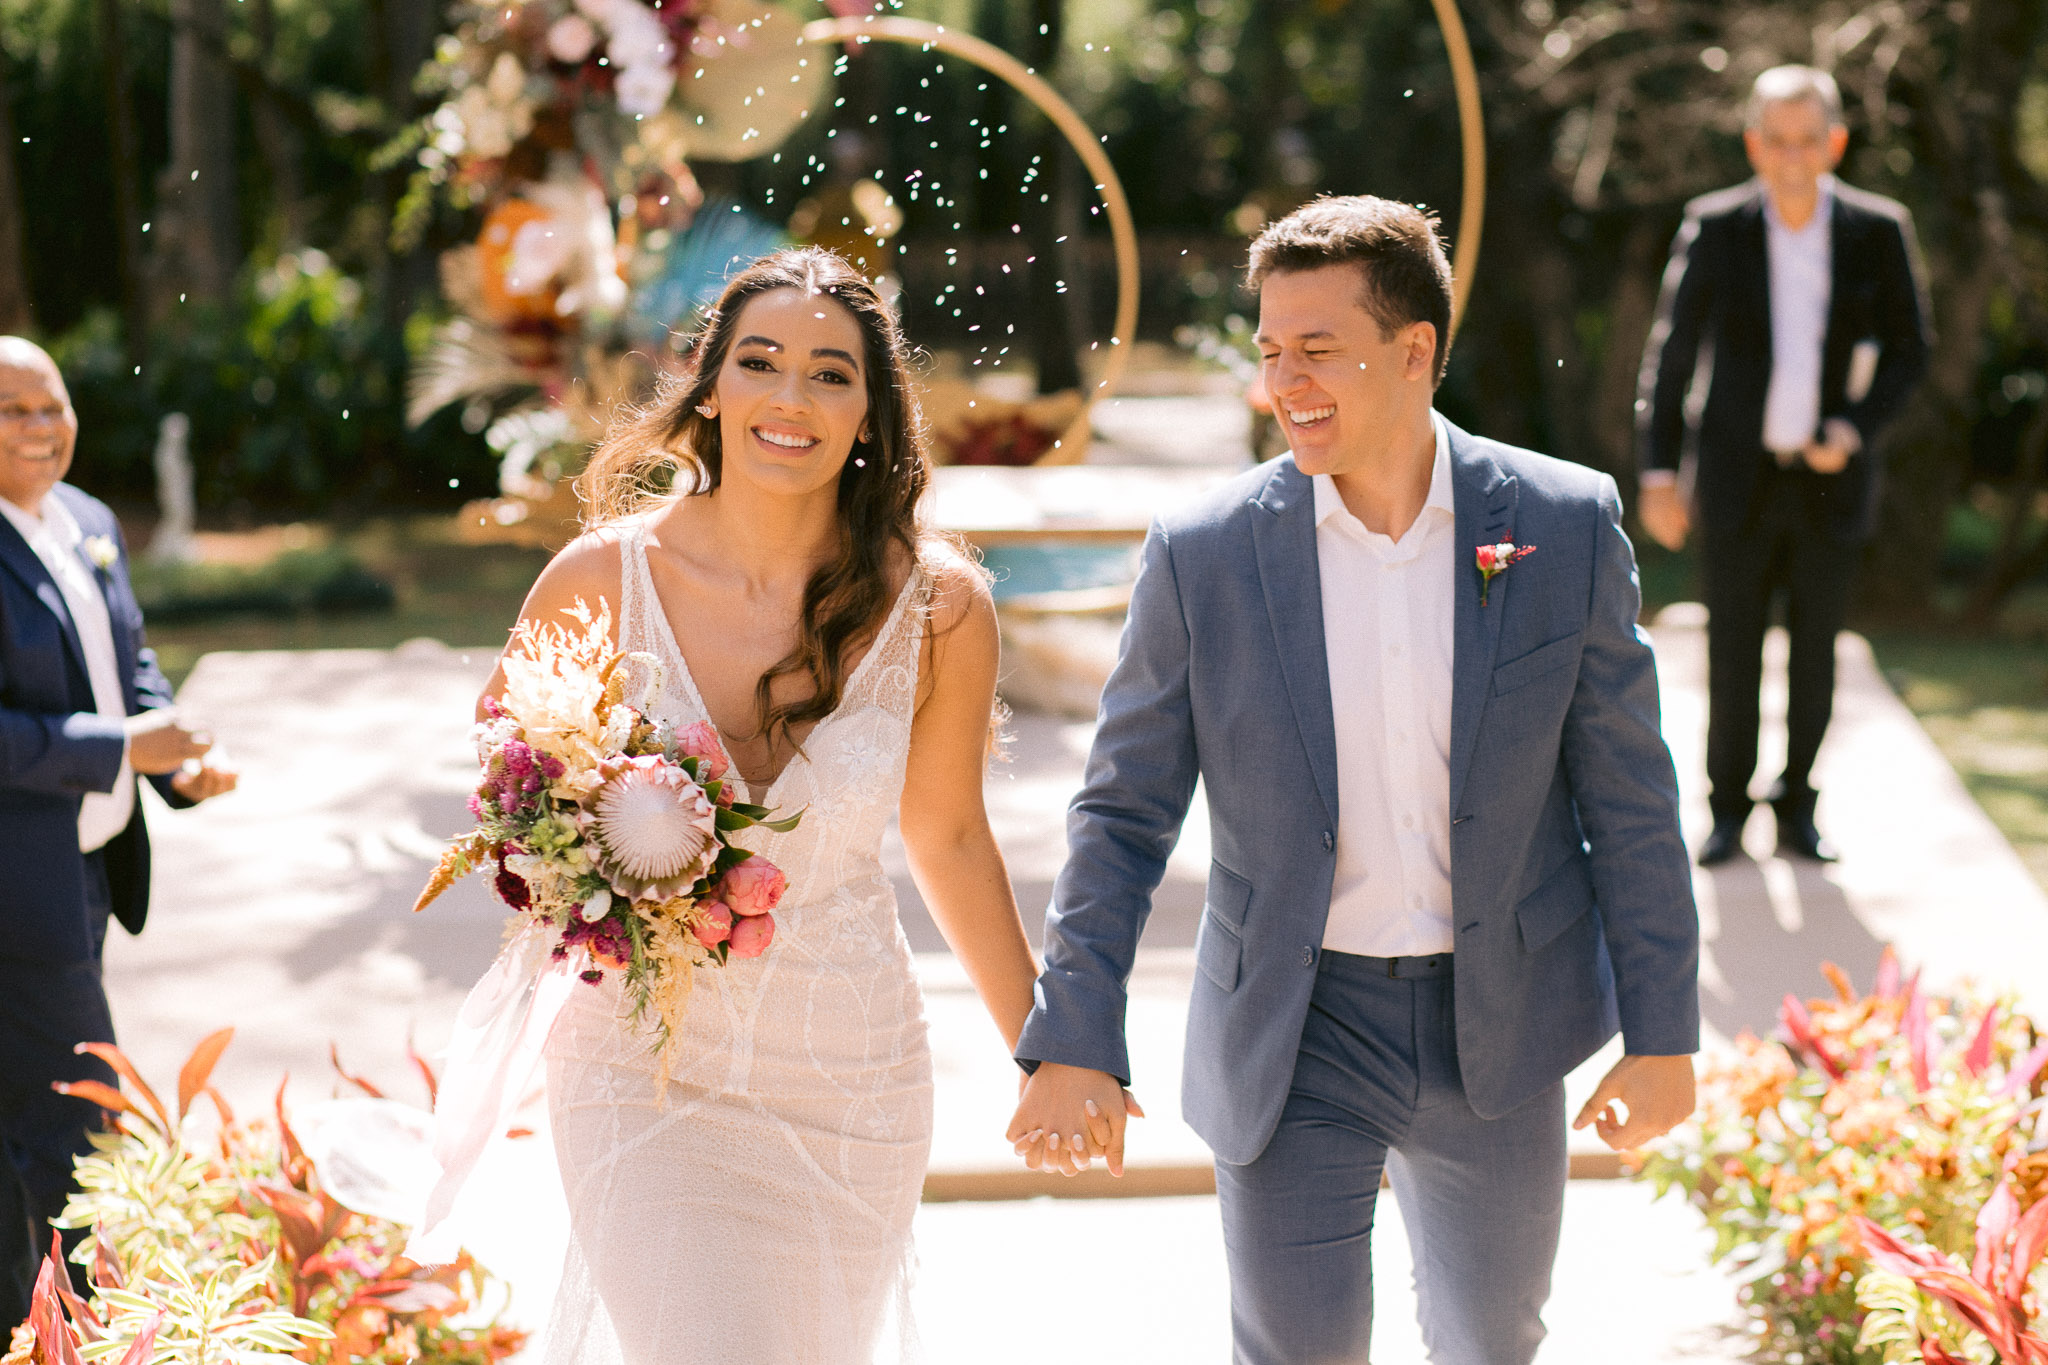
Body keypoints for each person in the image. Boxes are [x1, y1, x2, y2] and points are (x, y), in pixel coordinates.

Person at [1006, 197, 1701, 1365]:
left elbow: (1628, 798)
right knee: (1296, 1351)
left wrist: (1662, 1031)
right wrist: (1072, 1029)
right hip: (1293, 1026)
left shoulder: (1562, 524)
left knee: (1491, 1343)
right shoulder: (1204, 553)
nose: (1285, 379)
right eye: (1271, 350)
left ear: (1414, 349)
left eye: (1317, 348)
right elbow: (1123, 812)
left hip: (1499, 1024)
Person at [478, 248, 1041, 1364]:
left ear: (873, 414)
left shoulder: (938, 609)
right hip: (641, 1070)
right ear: (711, 387)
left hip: (851, 1079)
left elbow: (951, 835)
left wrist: (1049, 1047)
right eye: (761, 362)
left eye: (832, 374)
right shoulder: (598, 583)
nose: (792, 397)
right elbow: (508, 805)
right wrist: (612, 853)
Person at [1636, 65, 1931, 866]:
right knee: (1731, 653)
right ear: (1753, 144)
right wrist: (1659, 472)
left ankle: (1798, 807)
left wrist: (1857, 427)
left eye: (1809, 139)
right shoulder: (1717, 224)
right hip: (1734, 477)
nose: (1793, 155)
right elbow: (1671, 354)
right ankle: (1726, 809)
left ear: (1834, 142)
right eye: (1778, 139)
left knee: (1815, 653)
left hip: (1831, 480)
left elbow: (1911, 349)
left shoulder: (1878, 229)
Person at [0, 337, 236, 1328]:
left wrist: (174, 755)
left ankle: (34, 1322)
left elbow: (129, 664)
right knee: (74, 1112)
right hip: (18, 883)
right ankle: (80, 1333)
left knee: (35, 1107)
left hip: (91, 866)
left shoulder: (89, 520)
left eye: (53, 406)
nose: (44, 429)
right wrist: (116, 748)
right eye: (15, 413)